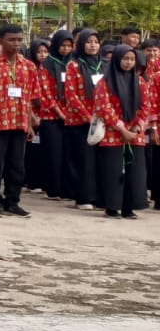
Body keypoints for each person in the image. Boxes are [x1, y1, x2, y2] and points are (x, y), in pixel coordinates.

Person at [0, 25, 39, 217]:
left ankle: (13, 201)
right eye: (12, 40)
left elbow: (30, 97)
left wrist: (29, 123)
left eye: (19, 39)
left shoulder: (28, 66)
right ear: (2, 41)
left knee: (17, 166)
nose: (17, 43)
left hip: (19, 122)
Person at [92, 45, 150, 219]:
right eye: (125, 59)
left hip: (134, 133)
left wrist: (137, 127)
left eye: (132, 59)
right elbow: (104, 107)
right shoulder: (105, 81)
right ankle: (111, 206)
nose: (128, 63)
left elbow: (146, 105)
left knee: (134, 171)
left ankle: (128, 207)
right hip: (113, 132)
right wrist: (121, 128)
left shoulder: (140, 81)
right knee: (112, 170)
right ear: (117, 59)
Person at [63, 29, 103, 210]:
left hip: (102, 121)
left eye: (96, 41)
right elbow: (71, 95)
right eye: (89, 42)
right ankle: (83, 197)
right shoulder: (74, 65)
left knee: (99, 160)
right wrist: (88, 117)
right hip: (80, 121)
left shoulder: (105, 65)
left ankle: (99, 196)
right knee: (83, 160)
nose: (93, 45)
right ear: (81, 45)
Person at [30, 36, 70, 201]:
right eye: (63, 45)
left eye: (69, 46)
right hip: (51, 116)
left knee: (67, 155)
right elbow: (45, 93)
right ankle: (53, 188)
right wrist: (61, 114)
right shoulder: (46, 65)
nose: (66, 49)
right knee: (54, 153)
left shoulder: (72, 64)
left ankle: (66, 188)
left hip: (71, 116)